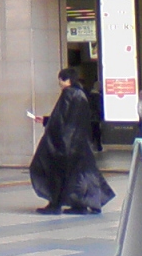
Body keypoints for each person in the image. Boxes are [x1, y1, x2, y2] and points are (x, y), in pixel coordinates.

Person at [30, 69, 115, 215]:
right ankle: (81, 204)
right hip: (80, 142)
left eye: (61, 79)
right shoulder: (81, 94)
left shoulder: (68, 94)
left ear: (67, 80)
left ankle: (55, 204)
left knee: (53, 170)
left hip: (64, 142)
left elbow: (60, 118)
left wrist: (48, 125)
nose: (59, 82)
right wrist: (46, 120)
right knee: (80, 174)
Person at [88, 82, 104, 152]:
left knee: (92, 132)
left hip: (90, 117)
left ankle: (92, 147)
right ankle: (98, 147)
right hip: (96, 117)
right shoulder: (98, 96)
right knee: (97, 132)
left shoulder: (89, 95)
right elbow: (99, 107)